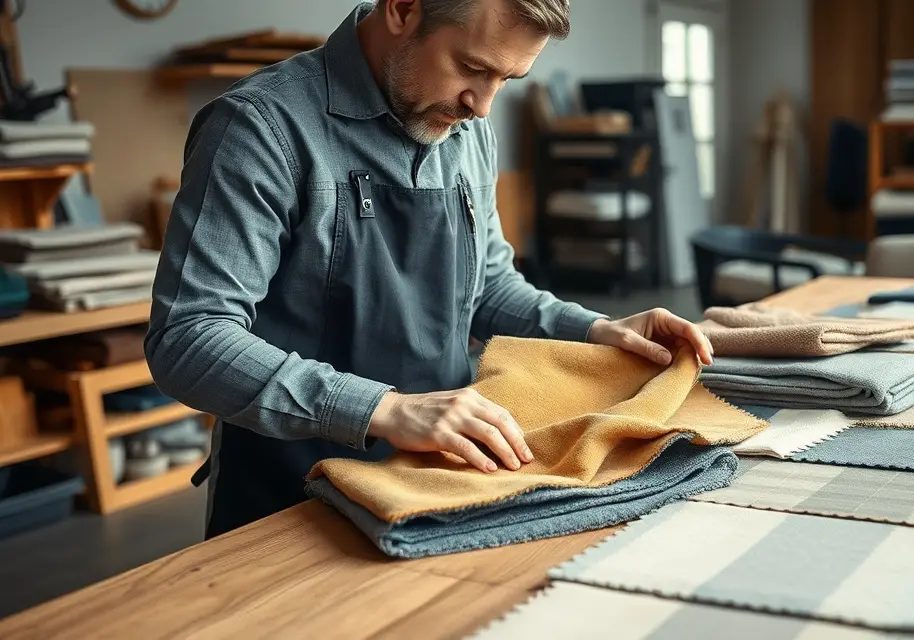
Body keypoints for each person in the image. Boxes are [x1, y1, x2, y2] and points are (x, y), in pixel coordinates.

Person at [145, 0, 714, 540]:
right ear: (401, 8)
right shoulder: (260, 129)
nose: (483, 105)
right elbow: (188, 338)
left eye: (506, 81)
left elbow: (487, 286)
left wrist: (595, 330)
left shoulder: (467, 130)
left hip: (436, 484)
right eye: (472, 66)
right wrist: (388, 410)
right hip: (290, 497)